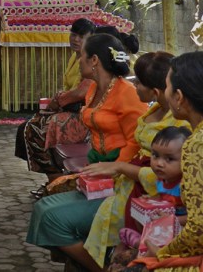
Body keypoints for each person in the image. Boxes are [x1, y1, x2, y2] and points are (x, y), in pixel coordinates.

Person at [26, 33, 148, 272]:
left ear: (94, 60)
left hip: (122, 181)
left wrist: (113, 171)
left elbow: (136, 143)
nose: (78, 60)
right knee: (43, 206)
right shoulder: (93, 89)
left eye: (82, 56)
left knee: (51, 216)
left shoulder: (127, 93)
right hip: (98, 173)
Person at [81, 52, 189, 268]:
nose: (134, 85)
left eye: (138, 82)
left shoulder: (183, 128)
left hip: (153, 190)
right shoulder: (157, 108)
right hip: (133, 180)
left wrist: (121, 166)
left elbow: (174, 176)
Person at [129, 51, 203, 271]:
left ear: (178, 97)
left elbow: (198, 230)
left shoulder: (196, 144)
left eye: (167, 87)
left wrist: (162, 253)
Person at [15, 18, 95, 195]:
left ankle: (57, 182)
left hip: (82, 114)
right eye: (73, 35)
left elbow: (82, 92)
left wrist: (59, 100)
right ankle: (54, 180)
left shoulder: (91, 59)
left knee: (35, 129)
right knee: (28, 127)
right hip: (69, 109)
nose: (76, 39)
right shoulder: (75, 57)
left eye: (81, 36)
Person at [109, 126, 191, 270]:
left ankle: (144, 245)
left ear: (187, 160)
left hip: (183, 230)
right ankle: (143, 242)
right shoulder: (163, 179)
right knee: (144, 220)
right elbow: (164, 197)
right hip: (166, 222)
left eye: (169, 159)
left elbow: (195, 218)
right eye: (155, 155)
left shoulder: (186, 186)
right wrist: (153, 200)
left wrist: (174, 220)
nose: (159, 163)